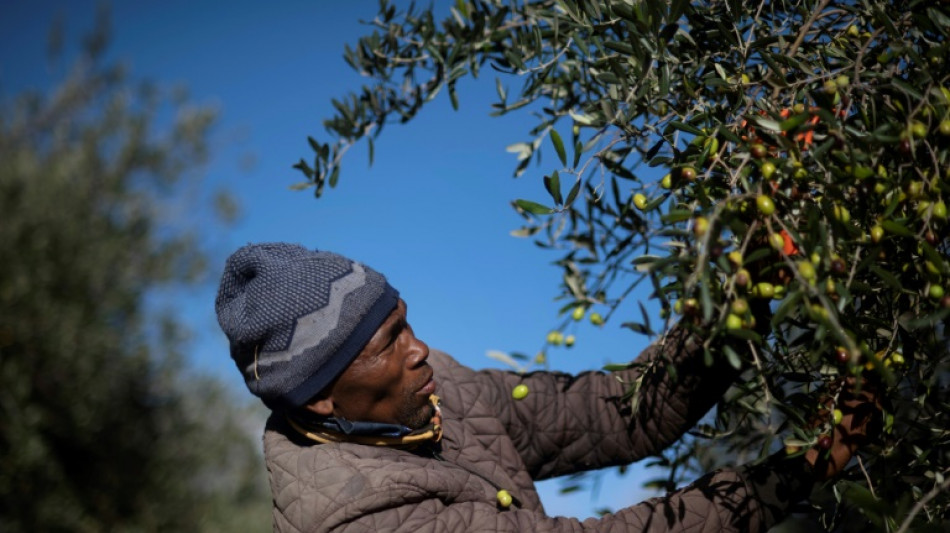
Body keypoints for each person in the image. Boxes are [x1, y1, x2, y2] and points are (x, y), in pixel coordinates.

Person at [215, 242, 876, 532]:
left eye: (405, 321)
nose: (419, 350)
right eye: (388, 344)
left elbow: (618, 412)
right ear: (321, 398)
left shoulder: (439, 387)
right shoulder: (357, 519)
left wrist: (742, 292)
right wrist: (801, 470)